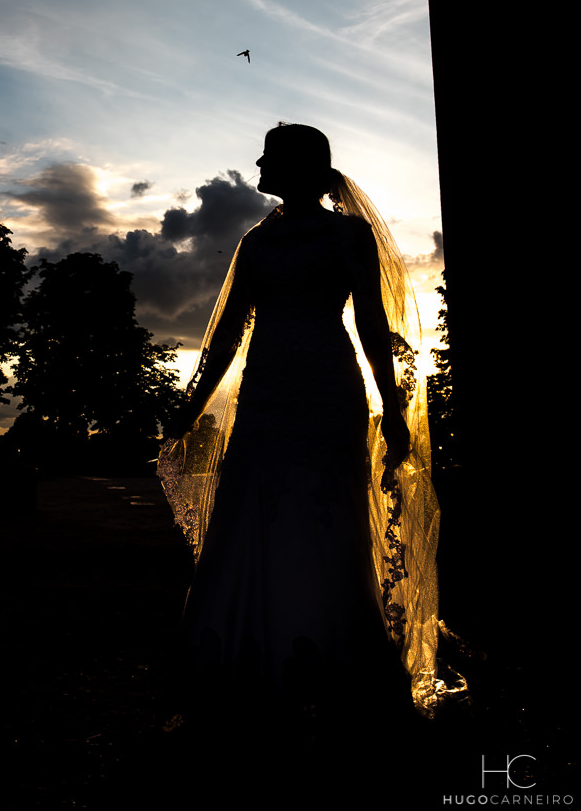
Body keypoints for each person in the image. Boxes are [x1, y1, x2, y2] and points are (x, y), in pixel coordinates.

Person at [158, 123, 445, 731]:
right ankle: (253, 656)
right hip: (265, 391)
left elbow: (372, 322)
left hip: (326, 386)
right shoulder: (255, 244)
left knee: (327, 514)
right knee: (252, 512)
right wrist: (190, 406)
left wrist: (391, 409)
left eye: (270, 156)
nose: (258, 162)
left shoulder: (348, 234)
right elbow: (229, 333)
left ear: (301, 167)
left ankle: (335, 660)